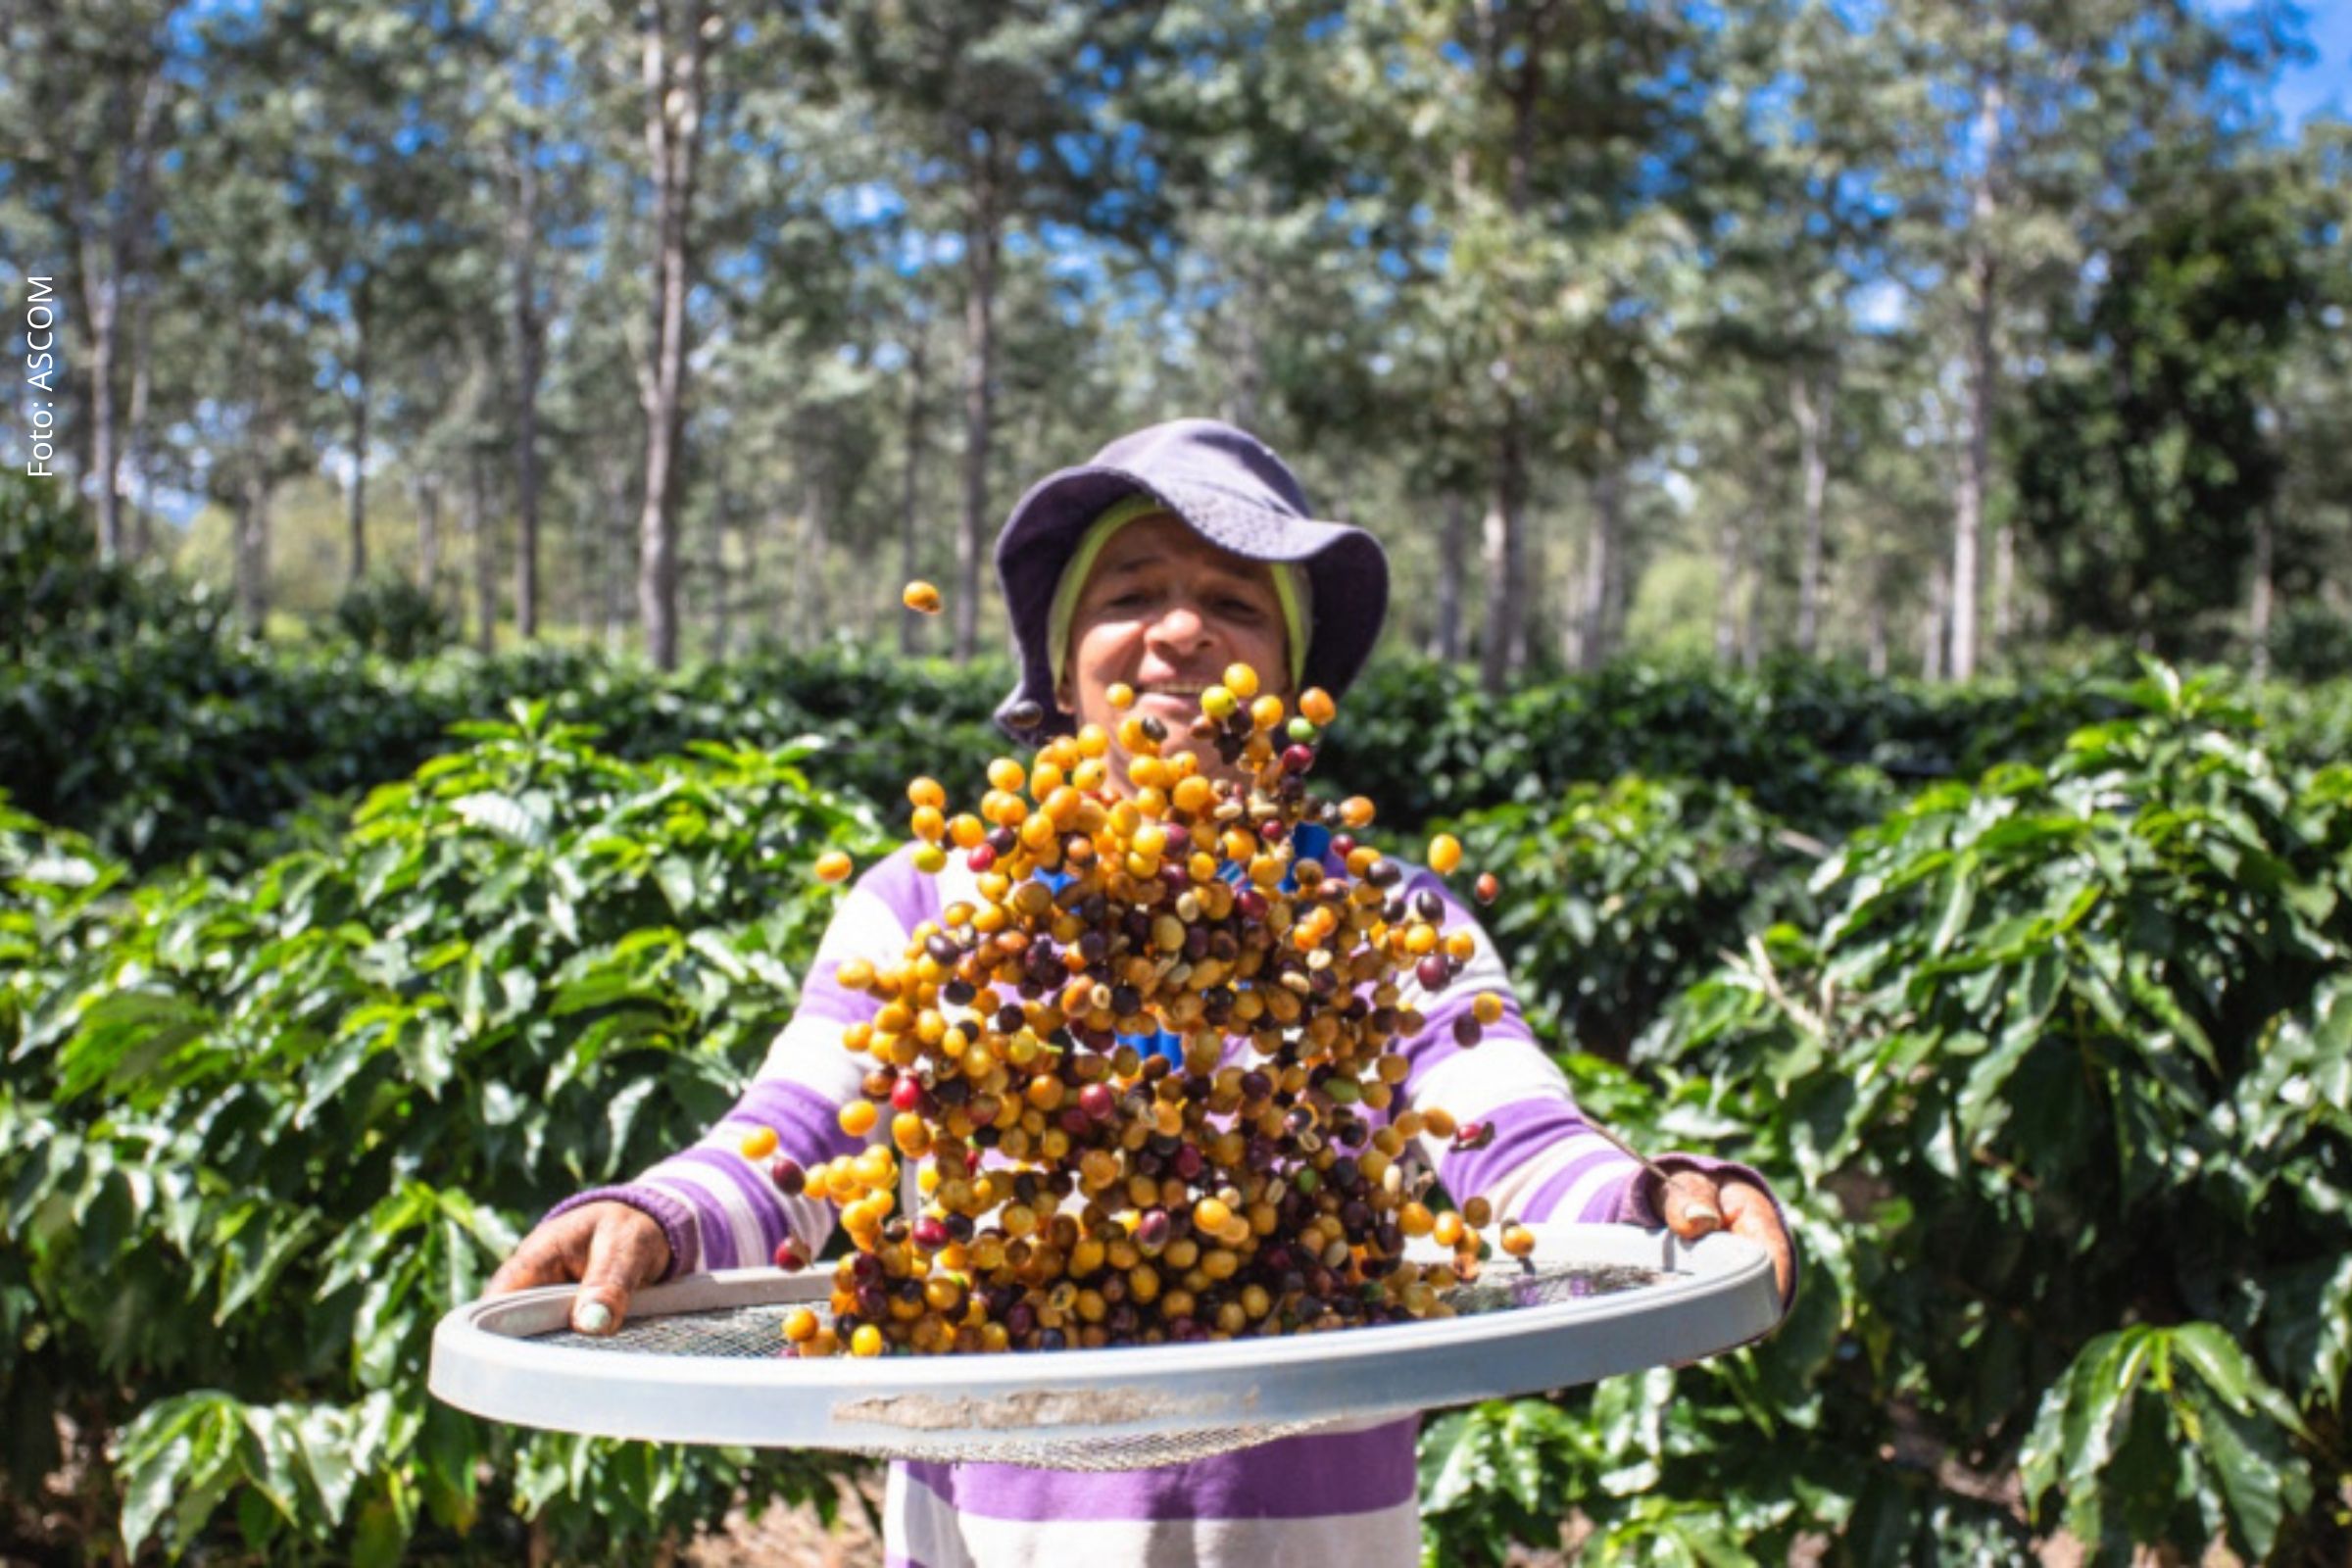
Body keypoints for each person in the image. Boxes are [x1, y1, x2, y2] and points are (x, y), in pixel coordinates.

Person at [488, 417, 1795, 1567]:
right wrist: (653, 1219)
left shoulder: (1381, 913)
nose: (1179, 629)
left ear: (1285, 685)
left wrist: (1648, 1203)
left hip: (1308, 1533)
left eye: (1234, 604)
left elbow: (1508, 1136)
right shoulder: (933, 895)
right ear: (1064, 675)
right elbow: (798, 1136)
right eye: (1132, 591)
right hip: (997, 1528)